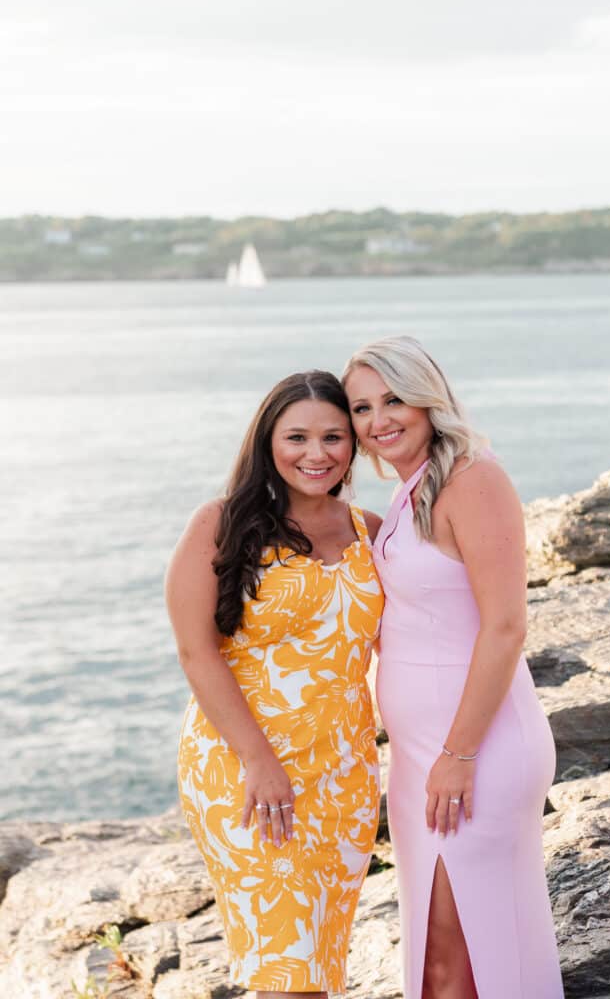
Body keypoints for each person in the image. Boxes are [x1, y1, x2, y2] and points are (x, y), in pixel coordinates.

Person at [343, 337, 564, 999]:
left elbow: (504, 627)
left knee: (453, 955)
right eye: (360, 407)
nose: (378, 419)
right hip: (420, 757)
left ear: (428, 397)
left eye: (393, 398)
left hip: (474, 752)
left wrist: (459, 754)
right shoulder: (413, 492)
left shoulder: (474, 479)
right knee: (460, 951)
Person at [166, 370, 383, 998]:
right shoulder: (221, 523)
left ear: (355, 445)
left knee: (318, 966)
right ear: (267, 442)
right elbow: (195, 651)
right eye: (297, 438)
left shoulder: (372, 530)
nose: (316, 455)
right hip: (246, 771)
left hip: (345, 773)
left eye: (334, 438)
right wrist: (259, 762)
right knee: (285, 971)